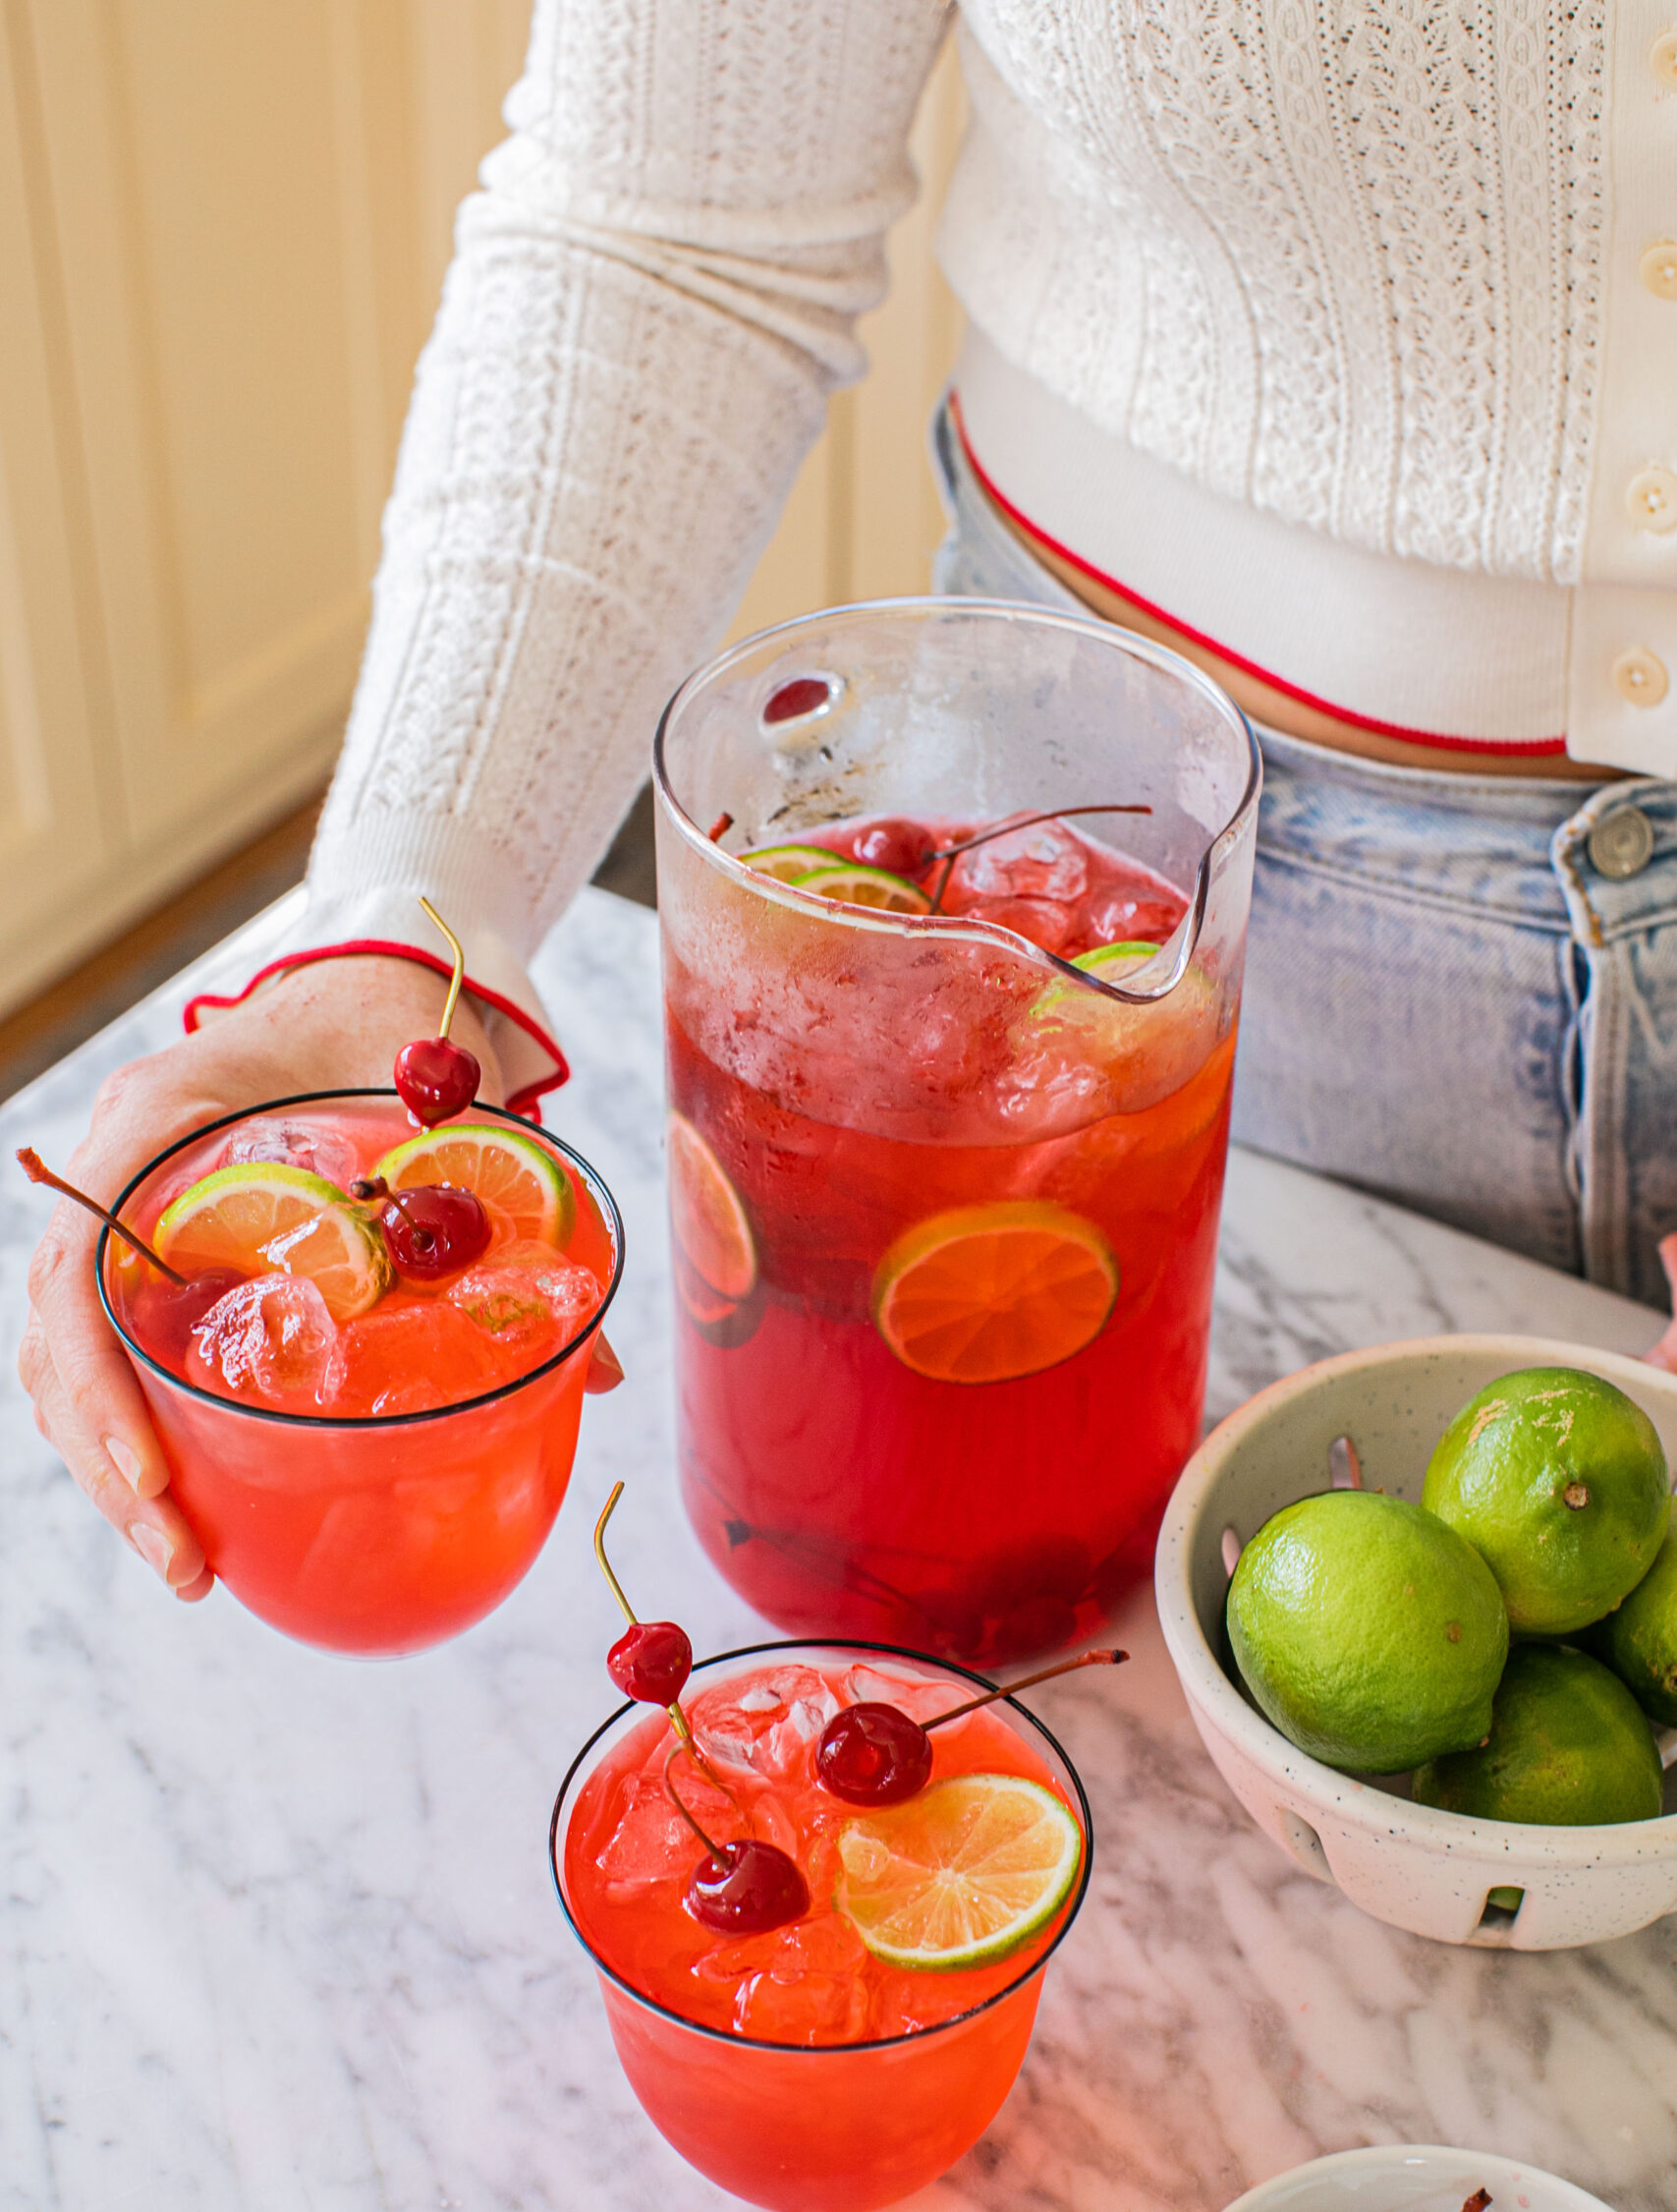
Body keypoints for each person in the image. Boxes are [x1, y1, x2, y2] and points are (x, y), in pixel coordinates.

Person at [21, 0, 1677, 1599]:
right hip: (1082, 821)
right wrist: (405, 917)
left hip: (1187, 930)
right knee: (929, 1545)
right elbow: (672, 229)